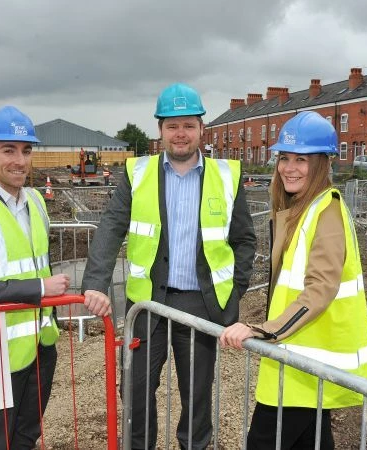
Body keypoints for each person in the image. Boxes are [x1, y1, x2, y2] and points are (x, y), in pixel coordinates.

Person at [82, 82, 256, 450]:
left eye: (189, 125)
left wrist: (234, 291)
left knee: (197, 396)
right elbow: (111, 227)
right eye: (172, 125)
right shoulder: (137, 173)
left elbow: (244, 240)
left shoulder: (227, 176)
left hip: (200, 304)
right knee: (137, 389)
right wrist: (95, 282)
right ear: (159, 129)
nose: (181, 134)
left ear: (201, 130)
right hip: (147, 305)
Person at [0, 105, 111, 449]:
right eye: (8, 150)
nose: (20, 160)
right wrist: (38, 288)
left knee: (25, 437)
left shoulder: (36, 201)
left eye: (26, 150)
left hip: (39, 346)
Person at [220, 111, 367, 450]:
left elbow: (320, 289)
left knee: (262, 442)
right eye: (285, 158)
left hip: (302, 362)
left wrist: (264, 329)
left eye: (301, 160)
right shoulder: (302, 208)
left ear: (322, 164)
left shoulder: (327, 210)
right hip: (300, 361)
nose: (289, 168)